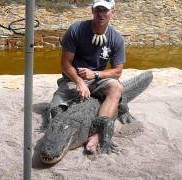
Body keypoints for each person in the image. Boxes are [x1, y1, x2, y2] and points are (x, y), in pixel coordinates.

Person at [49, 0, 125, 154]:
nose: (101, 14)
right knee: (53, 113)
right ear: (92, 10)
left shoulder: (116, 39)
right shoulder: (76, 29)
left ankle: (98, 132)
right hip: (72, 79)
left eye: (105, 10)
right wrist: (79, 81)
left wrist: (96, 74)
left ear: (113, 12)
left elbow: (117, 72)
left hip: (98, 80)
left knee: (117, 87)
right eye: (98, 9)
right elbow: (65, 64)